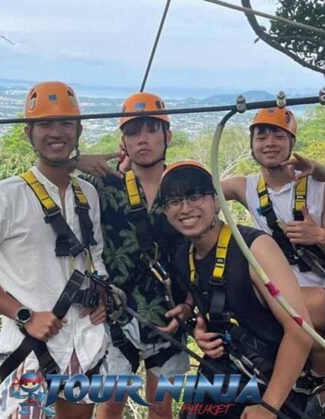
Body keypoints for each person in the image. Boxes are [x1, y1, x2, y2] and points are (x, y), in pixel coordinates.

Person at [0, 81, 108, 419]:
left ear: (78, 130)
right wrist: (24, 315)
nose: (56, 133)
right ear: (29, 133)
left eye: (66, 124)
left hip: (85, 342)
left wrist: (104, 295)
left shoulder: (88, 195)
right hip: (29, 350)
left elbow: (94, 257)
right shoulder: (4, 197)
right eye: (45, 124)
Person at [221, 108, 325, 418]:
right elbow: (199, 190)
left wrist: (320, 237)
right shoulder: (245, 188)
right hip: (285, 295)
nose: (269, 142)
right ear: (252, 143)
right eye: (261, 135)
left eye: (278, 135)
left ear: (291, 142)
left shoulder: (318, 190)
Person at [162, 160, 313, 419]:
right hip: (223, 376)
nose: (186, 208)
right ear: (165, 211)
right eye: (174, 202)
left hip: (273, 383)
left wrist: (269, 405)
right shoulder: (184, 256)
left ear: (217, 201)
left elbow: (300, 331)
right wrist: (200, 329)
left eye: (196, 196)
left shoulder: (254, 248)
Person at [83, 92, 192, 419]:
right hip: (117, 310)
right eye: (133, 132)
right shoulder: (103, 185)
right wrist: (79, 159)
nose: (142, 139)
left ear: (167, 136)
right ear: (123, 141)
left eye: (151, 130)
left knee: (160, 406)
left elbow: (199, 248)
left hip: (168, 310)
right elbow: (53, 175)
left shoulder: (184, 187)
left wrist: (189, 303)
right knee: (112, 402)